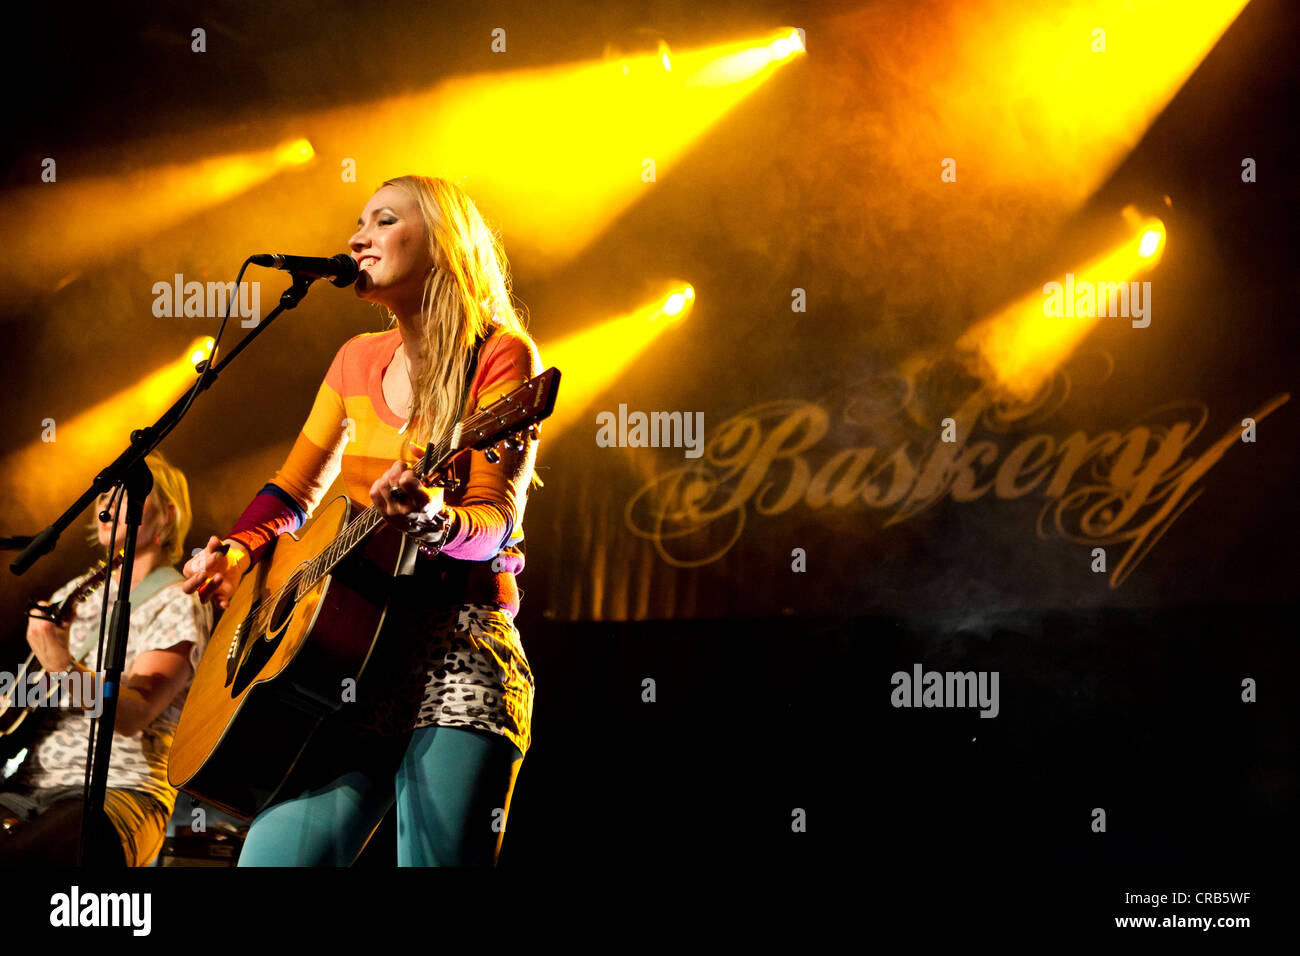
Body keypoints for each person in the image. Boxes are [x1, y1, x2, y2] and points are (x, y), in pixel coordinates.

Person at [181, 175, 542, 867]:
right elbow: (293, 489)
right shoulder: (354, 358)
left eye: (383, 221)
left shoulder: (500, 354)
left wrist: (433, 520)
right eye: (357, 222)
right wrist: (235, 550)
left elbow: (494, 521)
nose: (356, 237)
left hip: (455, 647)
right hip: (349, 664)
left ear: (441, 244)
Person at [0, 452, 212, 867]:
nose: (107, 503)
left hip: (118, 790)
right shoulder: (73, 592)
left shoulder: (179, 598)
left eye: (126, 493)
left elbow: (133, 713)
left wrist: (62, 665)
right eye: (105, 493)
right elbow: (22, 702)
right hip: (27, 786)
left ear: (167, 516)